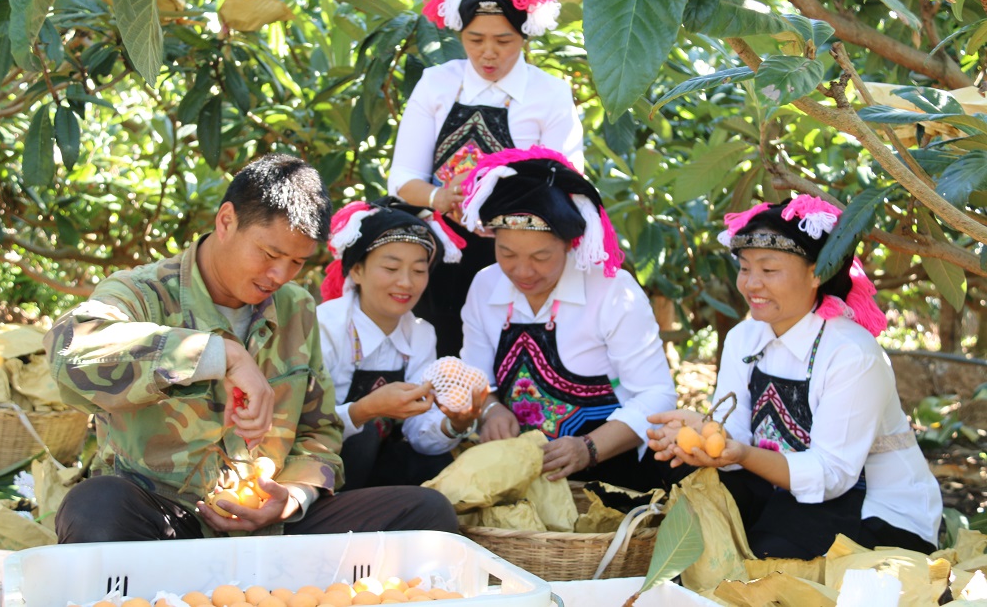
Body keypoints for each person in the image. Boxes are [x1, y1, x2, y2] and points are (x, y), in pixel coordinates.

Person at [43, 153, 457, 543]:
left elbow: (319, 429)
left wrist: (294, 496)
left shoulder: (295, 308)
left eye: (296, 262)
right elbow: (69, 349)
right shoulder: (144, 293)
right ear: (227, 221)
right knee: (94, 504)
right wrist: (221, 356)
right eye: (270, 253)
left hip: (270, 529)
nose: (279, 275)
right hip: (168, 519)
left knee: (426, 514)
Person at [648, 195, 942, 559]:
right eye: (745, 268)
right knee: (685, 509)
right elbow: (734, 434)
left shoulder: (851, 353)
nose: (751, 284)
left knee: (769, 558)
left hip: (878, 509)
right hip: (785, 491)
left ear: (817, 273)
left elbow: (832, 474)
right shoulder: (744, 338)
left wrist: (742, 453)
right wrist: (708, 435)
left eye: (769, 270)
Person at [387, 0, 584, 357]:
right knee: (441, 355)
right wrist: (440, 197)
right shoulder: (436, 84)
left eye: (503, 40)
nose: (488, 52)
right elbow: (402, 179)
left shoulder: (550, 95)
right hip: (441, 251)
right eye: (475, 39)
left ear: (525, 35)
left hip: (515, 256)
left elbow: (568, 186)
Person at [457, 146, 678, 491]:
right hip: (517, 479)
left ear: (569, 244)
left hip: (609, 478)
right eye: (507, 253)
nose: (522, 270)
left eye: (541, 256)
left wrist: (588, 448)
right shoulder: (485, 286)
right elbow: (474, 377)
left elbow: (657, 394)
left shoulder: (611, 290)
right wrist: (491, 410)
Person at [316, 196, 483, 490]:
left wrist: (454, 423)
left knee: (437, 465)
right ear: (356, 270)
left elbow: (419, 433)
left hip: (381, 472)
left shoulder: (421, 334)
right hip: (320, 469)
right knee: (364, 436)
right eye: (391, 268)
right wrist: (363, 410)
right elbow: (302, 426)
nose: (406, 283)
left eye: (418, 271)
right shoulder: (324, 327)